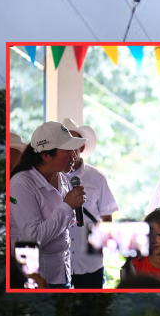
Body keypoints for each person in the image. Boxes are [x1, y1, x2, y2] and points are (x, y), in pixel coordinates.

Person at [8, 121, 87, 287]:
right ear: (46, 156)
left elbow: (63, 226)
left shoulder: (62, 179)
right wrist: (66, 207)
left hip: (62, 271)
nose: (74, 155)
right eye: (68, 151)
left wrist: (70, 208)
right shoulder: (21, 184)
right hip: (35, 278)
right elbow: (32, 238)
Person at [59, 120, 119, 289]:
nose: (69, 151)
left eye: (73, 145)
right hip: (59, 263)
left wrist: (103, 245)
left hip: (90, 262)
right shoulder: (52, 178)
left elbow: (107, 216)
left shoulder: (97, 177)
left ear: (82, 148)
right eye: (64, 145)